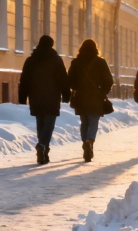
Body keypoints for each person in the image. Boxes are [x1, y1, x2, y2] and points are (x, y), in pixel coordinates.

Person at [18, 35, 70, 165]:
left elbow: (24, 80)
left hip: (36, 96)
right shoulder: (56, 60)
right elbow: (63, 79)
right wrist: (66, 94)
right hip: (52, 96)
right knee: (49, 123)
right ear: (51, 45)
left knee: (40, 122)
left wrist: (22, 97)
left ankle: (43, 151)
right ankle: (42, 145)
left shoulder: (31, 60)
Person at [67, 39, 114, 162]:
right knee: (93, 120)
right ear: (96, 49)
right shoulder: (101, 62)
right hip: (96, 96)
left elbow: (70, 80)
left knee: (84, 121)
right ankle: (89, 140)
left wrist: (77, 88)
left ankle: (85, 142)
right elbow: (109, 81)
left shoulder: (76, 62)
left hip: (81, 97)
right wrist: (102, 91)